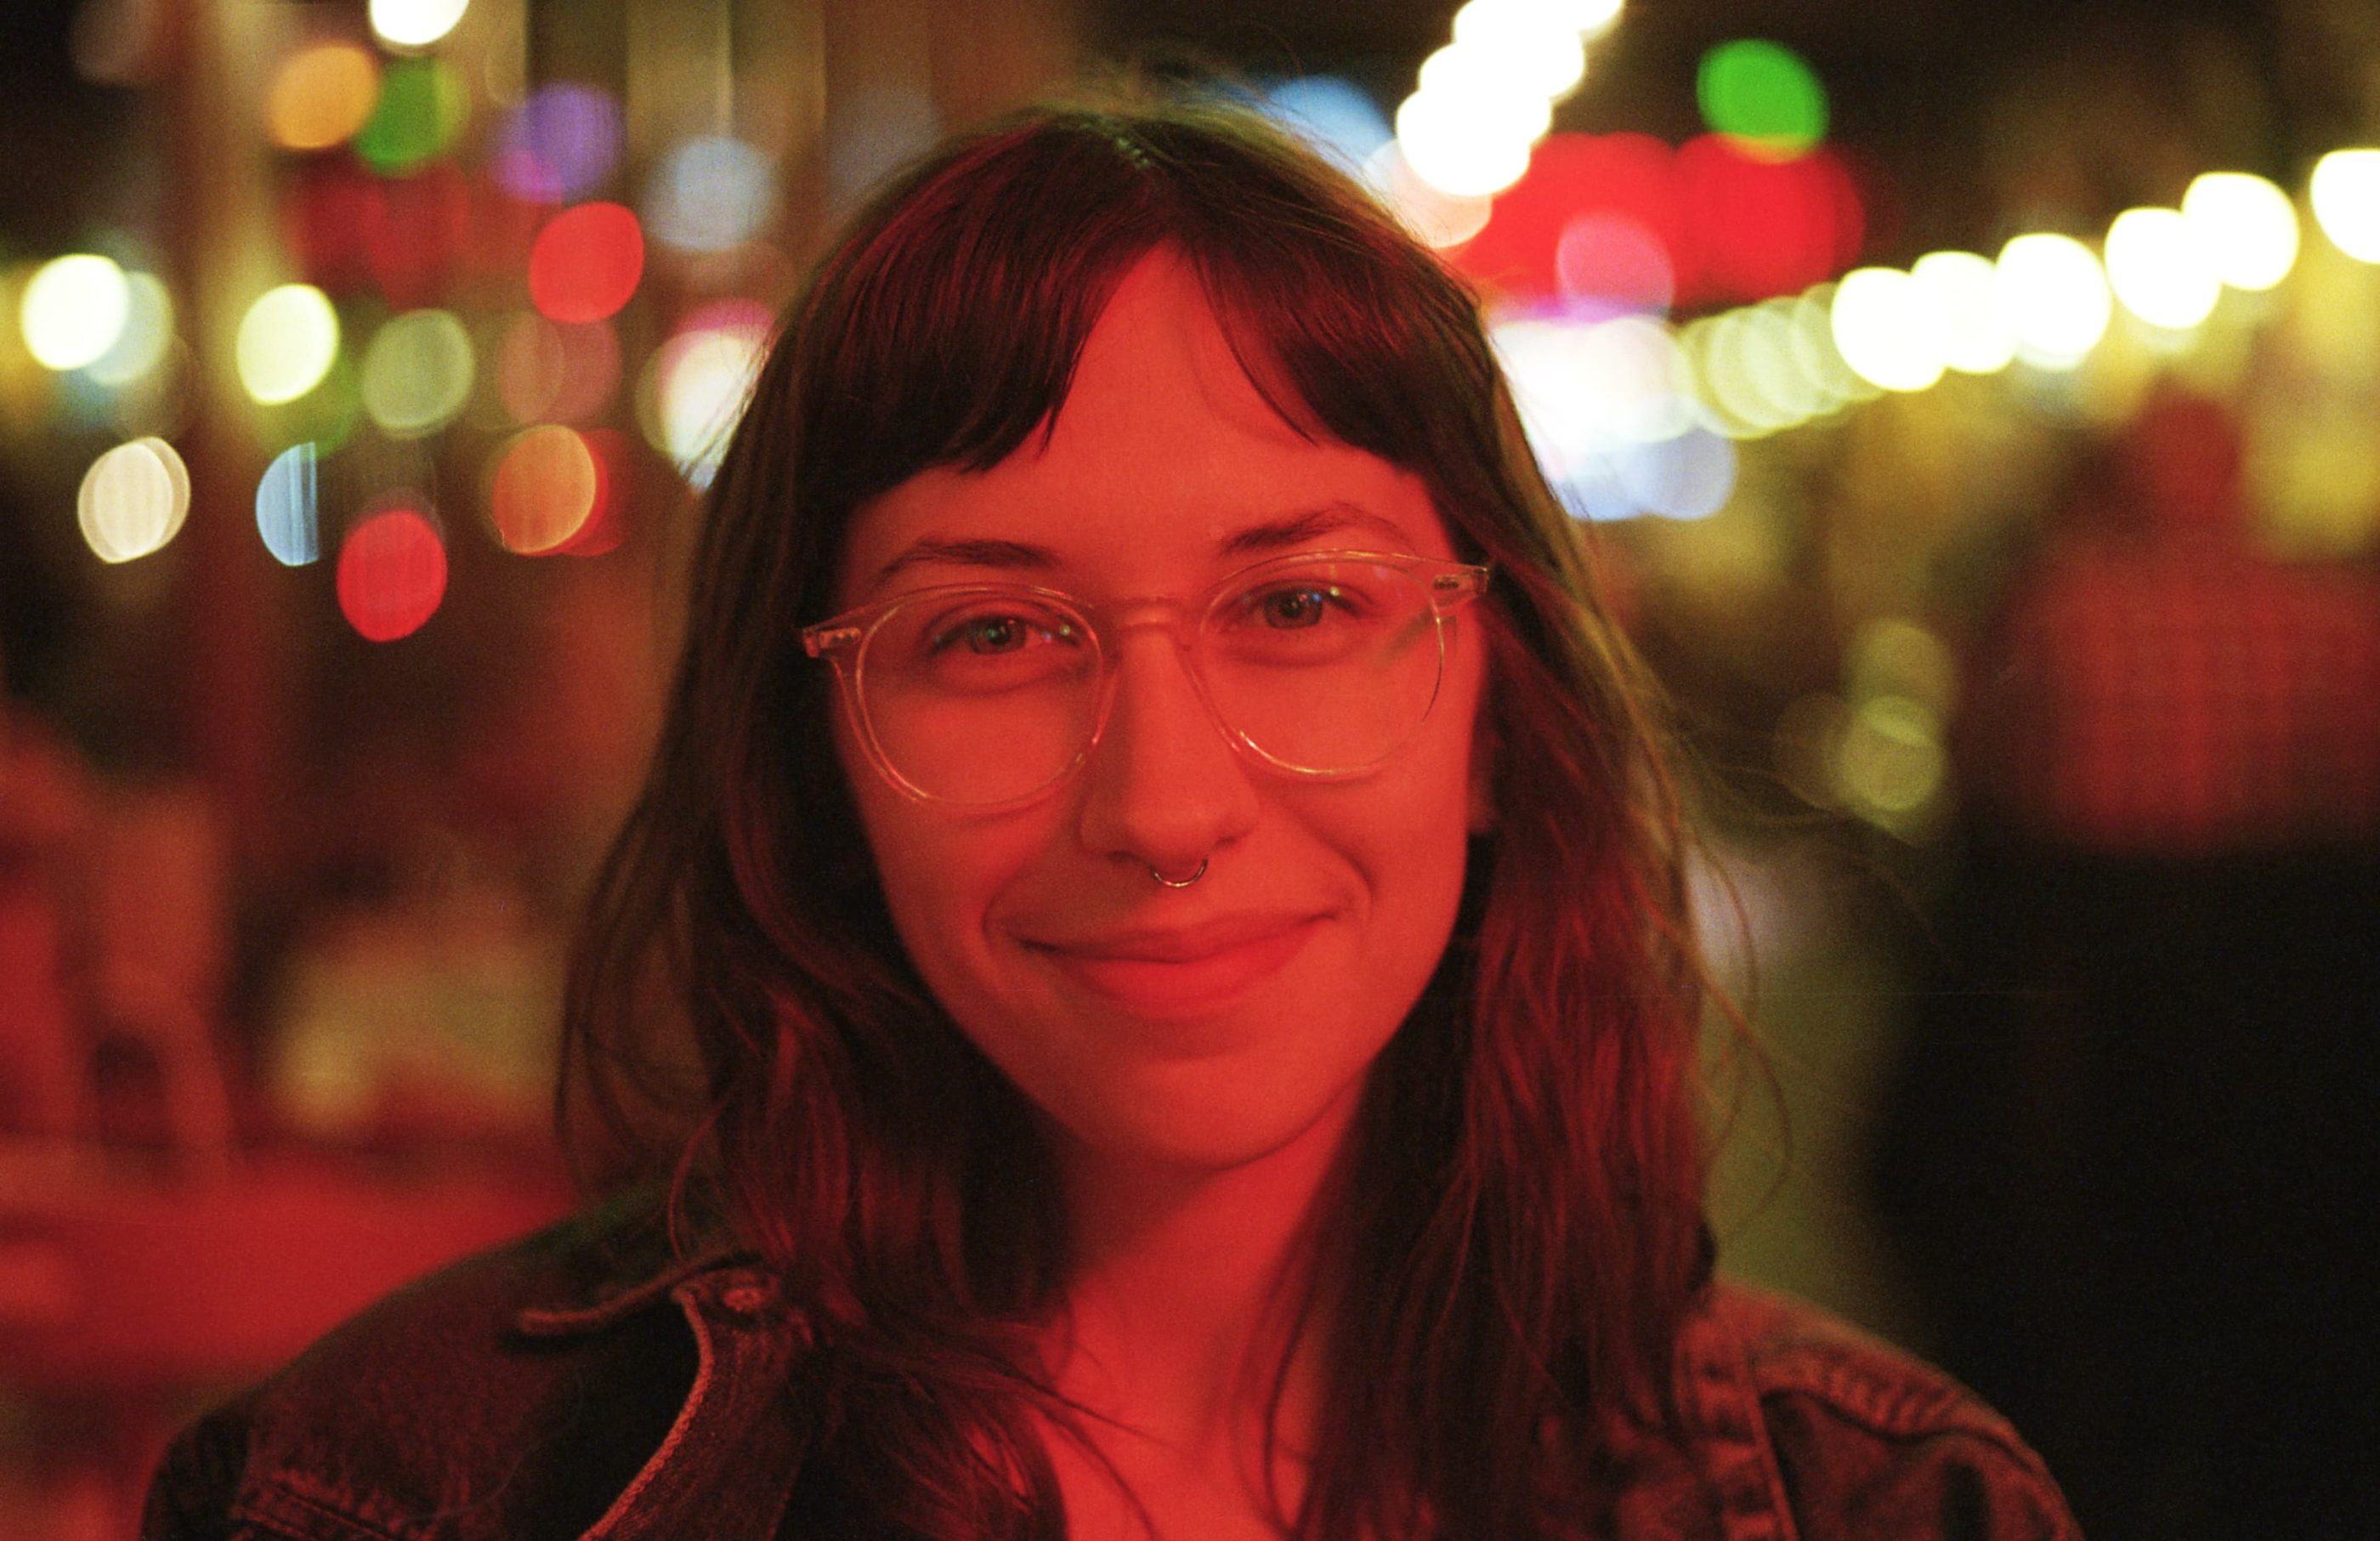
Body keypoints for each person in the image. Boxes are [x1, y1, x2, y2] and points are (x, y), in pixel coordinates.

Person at [144, 93, 2077, 1539]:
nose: (1161, 806)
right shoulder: (410, 1494)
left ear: (1499, 710)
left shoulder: (1882, 1504)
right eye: (990, 634)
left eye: (1297, 606)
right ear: (815, 757)